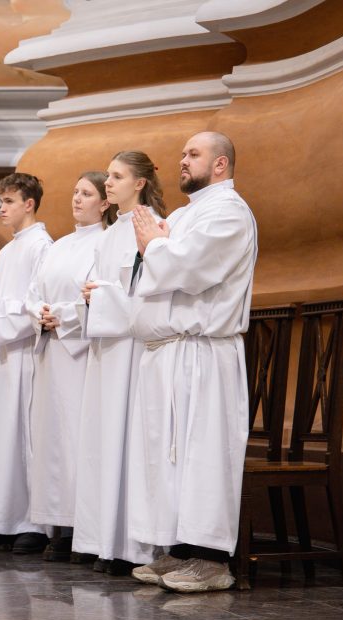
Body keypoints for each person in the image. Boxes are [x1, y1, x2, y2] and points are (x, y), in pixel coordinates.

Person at [126, 131, 257, 592]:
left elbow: (188, 269)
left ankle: (212, 561)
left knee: (201, 454)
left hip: (204, 351)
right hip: (171, 351)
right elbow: (155, 272)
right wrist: (157, 247)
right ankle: (178, 550)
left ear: (220, 164)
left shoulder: (229, 212)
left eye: (193, 154)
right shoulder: (185, 213)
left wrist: (155, 246)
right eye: (182, 153)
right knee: (169, 454)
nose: (182, 160)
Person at [73, 152, 166, 575]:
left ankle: (131, 546)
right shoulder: (112, 233)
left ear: (140, 183)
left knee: (127, 443)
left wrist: (103, 296)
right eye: (107, 176)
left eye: (117, 176)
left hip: (131, 351)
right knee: (102, 441)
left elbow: (148, 290)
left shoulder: (150, 226)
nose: (109, 183)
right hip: (105, 351)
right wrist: (90, 295)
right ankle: (102, 540)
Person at [24, 172, 110, 560]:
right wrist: (37, 313)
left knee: (77, 440)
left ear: (105, 203)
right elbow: (33, 292)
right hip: (50, 354)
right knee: (51, 441)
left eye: (87, 193)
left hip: (81, 356)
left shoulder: (106, 244)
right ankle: (57, 526)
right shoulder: (58, 245)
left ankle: (82, 529)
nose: (76, 199)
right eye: (75, 191)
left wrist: (63, 316)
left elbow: (100, 294)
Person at [0, 172, 53, 553]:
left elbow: (36, 306)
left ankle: (31, 525)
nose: (1, 209)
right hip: (4, 354)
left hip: (25, 355)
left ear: (29, 204)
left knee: (24, 437)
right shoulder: (8, 250)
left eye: (8, 202)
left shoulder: (42, 247)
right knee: (3, 435)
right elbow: (5, 299)